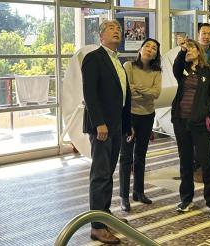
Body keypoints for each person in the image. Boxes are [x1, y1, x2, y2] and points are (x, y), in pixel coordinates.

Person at [82, 19, 133, 245]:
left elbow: (123, 96)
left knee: (108, 173)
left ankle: (104, 213)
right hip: (101, 126)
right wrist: (99, 123)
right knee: (100, 175)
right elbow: (90, 94)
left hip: (116, 125)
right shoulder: (93, 58)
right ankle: (97, 227)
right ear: (101, 36)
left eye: (119, 29)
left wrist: (127, 122)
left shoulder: (117, 61)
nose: (117, 31)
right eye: (111, 29)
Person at [171, 38, 210, 219]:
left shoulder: (209, 73)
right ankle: (186, 199)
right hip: (181, 122)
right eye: (186, 50)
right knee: (185, 161)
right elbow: (176, 66)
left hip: (200, 124)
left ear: (199, 51)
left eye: (191, 48)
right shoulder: (182, 70)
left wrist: (203, 111)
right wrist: (181, 50)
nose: (188, 52)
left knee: (206, 162)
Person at [119, 38, 162, 212]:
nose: (149, 49)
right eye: (147, 46)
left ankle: (139, 192)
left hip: (147, 116)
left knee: (141, 155)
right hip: (129, 115)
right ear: (140, 49)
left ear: (155, 55)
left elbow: (156, 93)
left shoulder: (156, 71)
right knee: (126, 157)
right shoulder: (129, 66)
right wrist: (144, 92)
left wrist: (139, 89)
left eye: (153, 48)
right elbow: (127, 90)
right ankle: (124, 196)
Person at [193, 23, 210, 183]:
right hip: (193, 102)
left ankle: (203, 167)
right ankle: (195, 167)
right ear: (198, 34)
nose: (207, 36)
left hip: (208, 102)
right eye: (204, 33)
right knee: (193, 136)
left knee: (207, 133)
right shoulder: (191, 51)